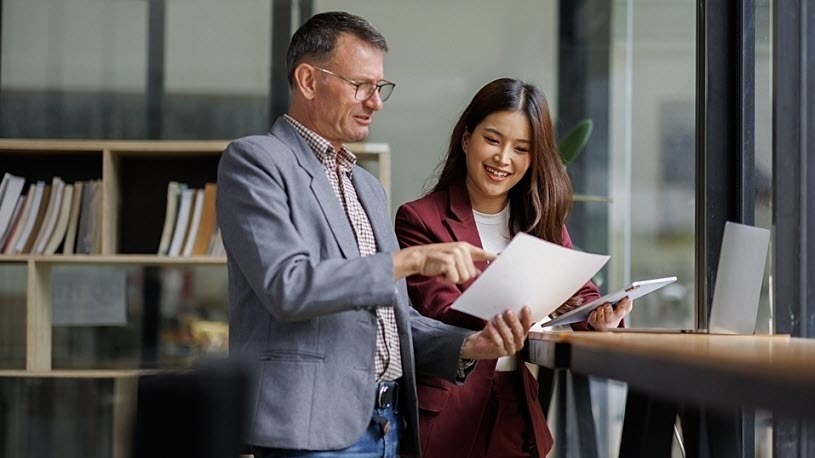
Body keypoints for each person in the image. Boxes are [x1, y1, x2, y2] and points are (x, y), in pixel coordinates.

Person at [216, 12, 535, 458]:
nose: (376, 102)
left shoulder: (365, 186)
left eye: (380, 88)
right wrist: (412, 260)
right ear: (308, 80)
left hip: (390, 427)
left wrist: (469, 346)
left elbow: (396, 317)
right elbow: (287, 286)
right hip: (309, 433)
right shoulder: (255, 162)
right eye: (360, 86)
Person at [394, 78, 633, 457]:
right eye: (492, 140)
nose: (503, 159)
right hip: (448, 409)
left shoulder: (539, 220)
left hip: (515, 405)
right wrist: (517, 303)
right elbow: (439, 311)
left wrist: (599, 319)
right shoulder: (421, 218)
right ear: (466, 139)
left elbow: (580, 294)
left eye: (521, 148)